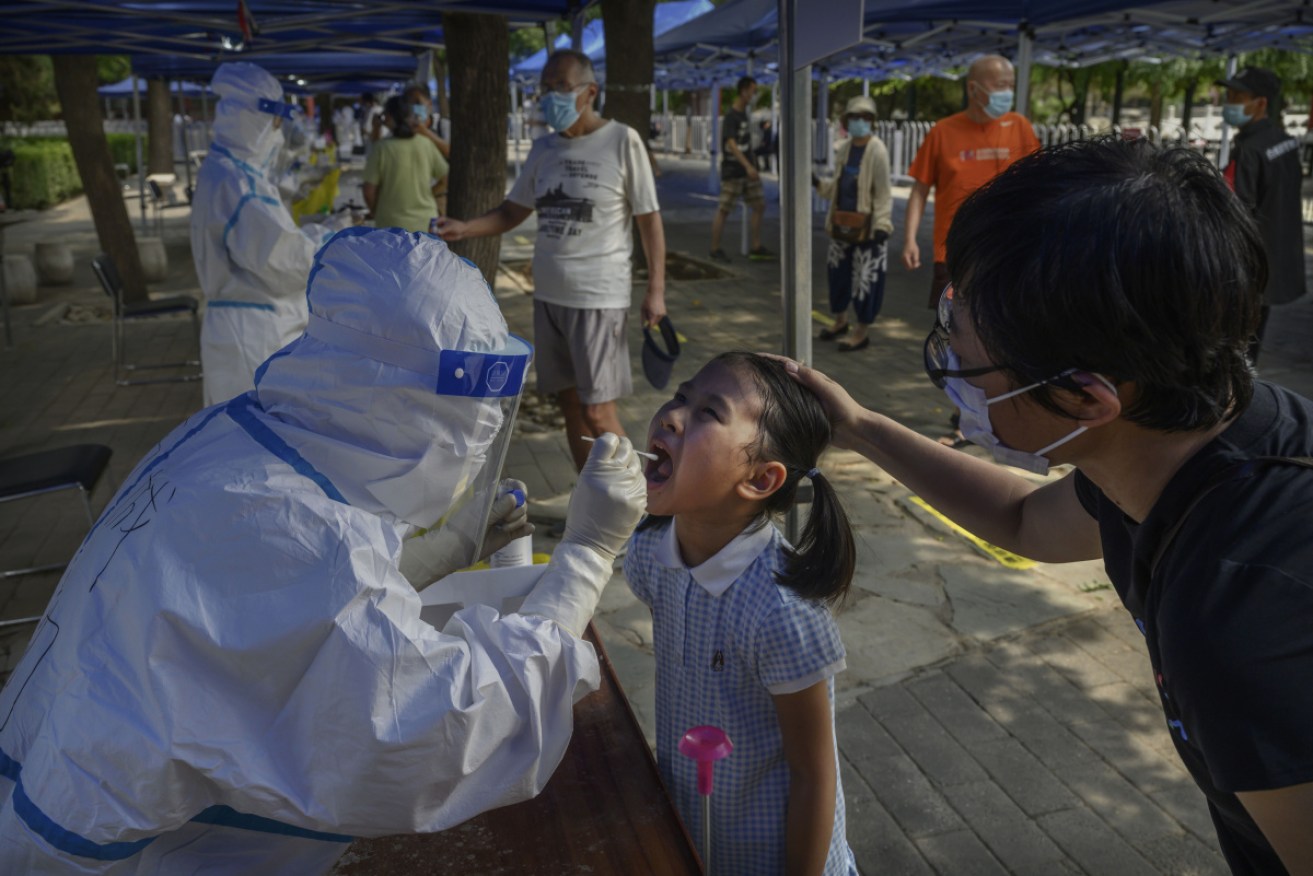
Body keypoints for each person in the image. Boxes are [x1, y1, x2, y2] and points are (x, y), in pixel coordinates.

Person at [0, 228, 649, 873]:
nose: (469, 457)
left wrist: (446, 547)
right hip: (123, 852)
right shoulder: (293, 532)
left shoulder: (237, 435)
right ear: (402, 409)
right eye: (462, 432)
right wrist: (588, 555)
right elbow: (445, 732)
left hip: (53, 768)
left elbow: (275, 621)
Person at [783, 137, 1313, 875]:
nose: (947, 365)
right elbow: (1026, 522)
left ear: (1084, 397)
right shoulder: (1215, 428)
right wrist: (859, 428)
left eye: (962, 354)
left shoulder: (1235, 628)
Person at [625, 351, 857, 875]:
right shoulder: (648, 554)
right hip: (693, 836)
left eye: (708, 413)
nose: (671, 415)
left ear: (759, 480)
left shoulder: (781, 612)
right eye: (681, 396)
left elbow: (814, 775)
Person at [438, 50, 666, 474]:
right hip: (548, 296)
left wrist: (656, 290)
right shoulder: (543, 149)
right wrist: (463, 228)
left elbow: (649, 220)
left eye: (559, 86)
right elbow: (511, 212)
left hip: (598, 296)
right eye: (545, 87)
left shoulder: (622, 140)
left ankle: (644, 503)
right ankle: (593, 501)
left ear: (589, 92)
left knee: (599, 413)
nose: (548, 96)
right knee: (572, 407)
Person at [191, 62, 348, 408]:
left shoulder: (228, 172)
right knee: (254, 434)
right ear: (255, 118)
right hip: (253, 330)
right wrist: (329, 240)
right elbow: (279, 260)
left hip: (245, 323)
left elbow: (267, 240)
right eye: (276, 123)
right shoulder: (235, 181)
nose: (278, 134)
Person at [901, 54, 1040, 309]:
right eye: (1000, 85)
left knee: (1001, 331)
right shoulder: (943, 132)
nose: (1007, 93)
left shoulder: (1020, 127)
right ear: (973, 89)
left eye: (1011, 85)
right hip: (953, 252)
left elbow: (1039, 186)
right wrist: (909, 238)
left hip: (1006, 249)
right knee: (951, 331)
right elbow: (919, 190)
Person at [1216, 66, 1307, 363]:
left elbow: (1236, 210)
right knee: (1251, 342)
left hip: (1246, 266)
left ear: (1261, 103)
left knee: (1234, 347)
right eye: (1229, 94)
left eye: (1238, 96)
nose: (1229, 102)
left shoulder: (1248, 150)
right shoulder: (1284, 142)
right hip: (1271, 259)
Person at [813, 95, 893, 354]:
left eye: (865, 117)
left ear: (872, 121)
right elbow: (839, 185)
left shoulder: (877, 149)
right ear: (847, 121)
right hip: (840, 225)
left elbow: (883, 192)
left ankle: (861, 331)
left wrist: (882, 224)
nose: (860, 122)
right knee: (838, 275)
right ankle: (840, 321)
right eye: (855, 117)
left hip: (868, 229)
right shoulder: (845, 148)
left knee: (865, 281)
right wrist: (818, 185)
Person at [709, 76, 774, 263]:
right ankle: (714, 248)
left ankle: (756, 246)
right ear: (744, 90)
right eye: (753, 91)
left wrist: (752, 166)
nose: (754, 95)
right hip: (734, 171)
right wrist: (747, 165)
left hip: (747, 171)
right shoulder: (731, 116)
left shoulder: (744, 114)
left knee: (759, 205)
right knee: (724, 209)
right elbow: (731, 144)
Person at [362, 95, 449, 232]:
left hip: (390, 223)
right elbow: (446, 178)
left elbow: (368, 191)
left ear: (389, 118)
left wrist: (376, 211)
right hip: (426, 221)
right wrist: (430, 193)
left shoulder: (381, 148)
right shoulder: (425, 144)